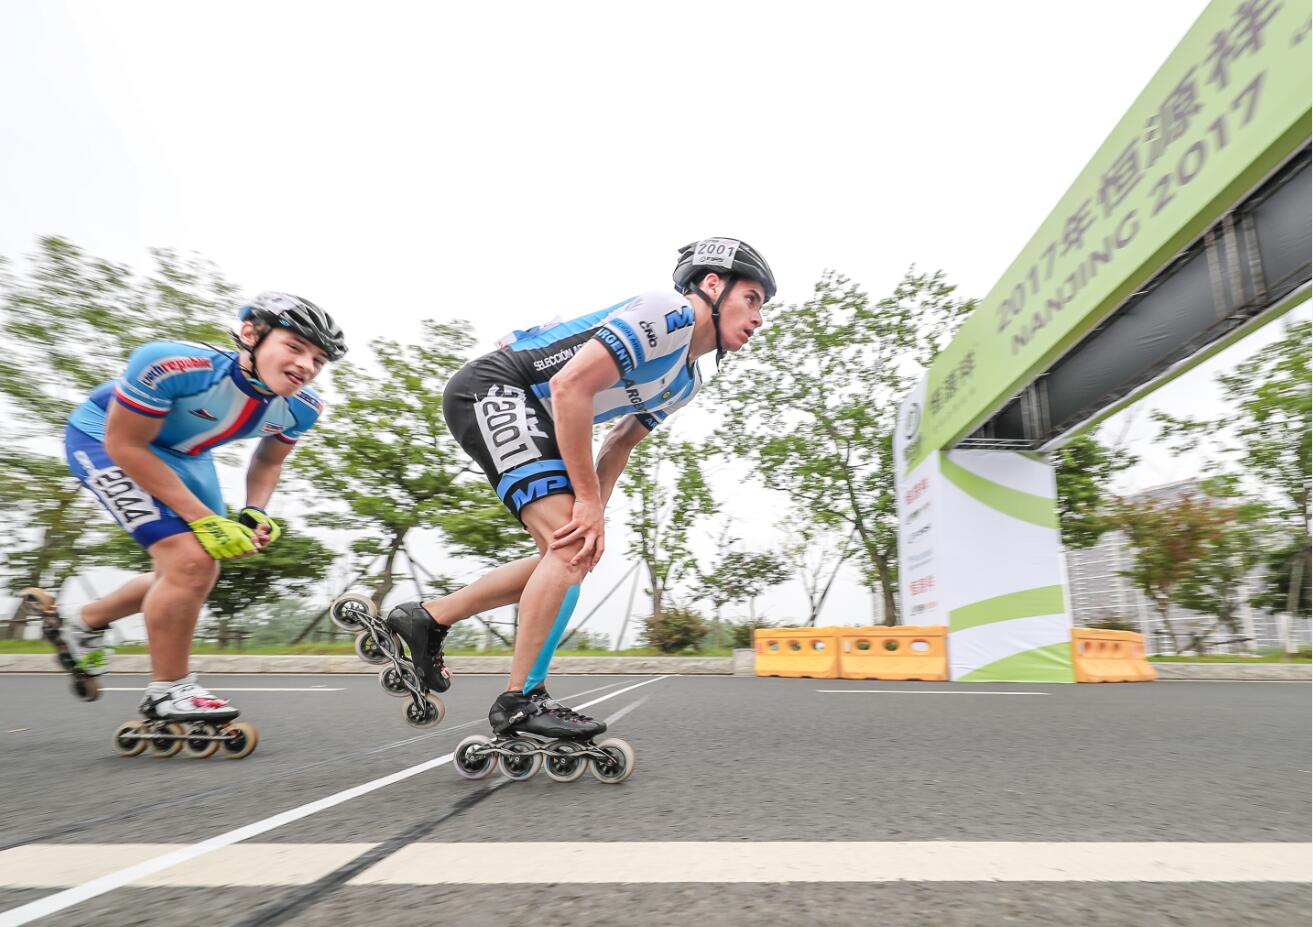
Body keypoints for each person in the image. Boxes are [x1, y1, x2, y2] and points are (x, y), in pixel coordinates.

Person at [385, 237, 776, 740]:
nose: (758, 318)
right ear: (713, 285)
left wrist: (593, 517)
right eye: (752, 299)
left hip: (541, 415)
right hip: (497, 388)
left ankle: (429, 618)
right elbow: (570, 387)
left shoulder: (686, 382)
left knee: (573, 550)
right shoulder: (669, 312)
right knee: (570, 552)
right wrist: (585, 504)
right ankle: (521, 700)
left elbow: (618, 443)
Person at [41, 292, 345, 725]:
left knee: (193, 566)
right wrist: (203, 518)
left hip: (187, 456)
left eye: (318, 360)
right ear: (250, 334)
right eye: (294, 347)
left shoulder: (302, 408)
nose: (306, 366)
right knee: (190, 561)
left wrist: (254, 511)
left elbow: (268, 460)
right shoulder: (172, 364)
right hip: (106, 439)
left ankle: (85, 623)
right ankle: (168, 691)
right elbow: (125, 444)